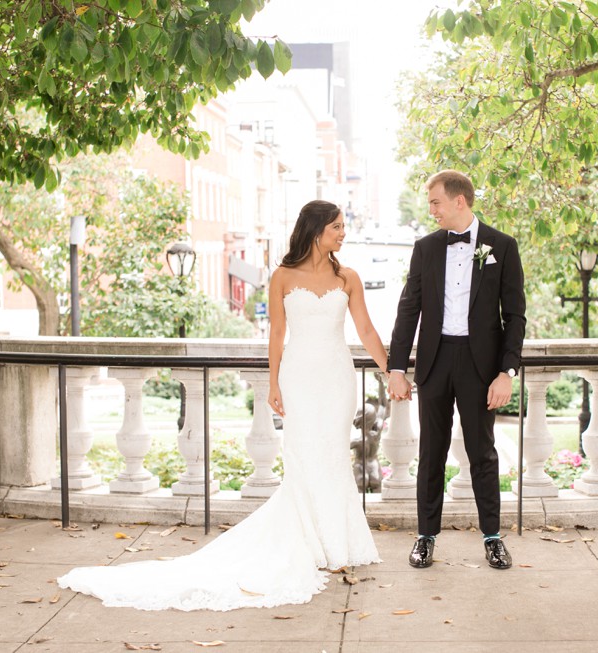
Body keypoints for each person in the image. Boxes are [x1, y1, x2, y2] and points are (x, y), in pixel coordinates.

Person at [58, 200, 385, 611]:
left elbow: (367, 329)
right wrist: (273, 384)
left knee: (333, 455)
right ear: (316, 229)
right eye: (336, 226)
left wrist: (392, 371)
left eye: (342, 227)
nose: (342, 233)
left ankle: (338, 543)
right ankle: (309, 541)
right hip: (300, 378)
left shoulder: (348, 277)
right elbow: (277, 334)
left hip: (336, 379)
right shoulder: (282, 276)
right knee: (302, 456)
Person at [387, 170, 526, 570]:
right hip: (434, 360)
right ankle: (425, 537)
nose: (431, 210)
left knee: (482, 452)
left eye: (435, 202)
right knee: (432, 452)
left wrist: (507, 373)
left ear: (458, 201)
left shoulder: (502, 246)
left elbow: (515, 316)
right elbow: (408, 308)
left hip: (481, 366)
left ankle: (493, 538)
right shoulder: (426, 248)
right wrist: (398, 367)